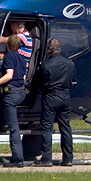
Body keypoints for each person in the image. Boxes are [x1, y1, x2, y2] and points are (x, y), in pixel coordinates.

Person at [0, 34, 27, 166]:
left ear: (8, 45)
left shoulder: (9, 56)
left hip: (11, 94)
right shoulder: (22, 58)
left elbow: (9, 75)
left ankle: (17, 158)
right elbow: (24, 76)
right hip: (21, 92)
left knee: (14, 127)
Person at [34, 38, 75, 167]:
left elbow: (40, 81)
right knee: (66, 128)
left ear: (49, 49)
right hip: (65, 97)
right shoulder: (69, 64)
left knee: (47, 128)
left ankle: (46, 158)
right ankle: (68, 158)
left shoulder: (46, 65)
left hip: (51, 97)